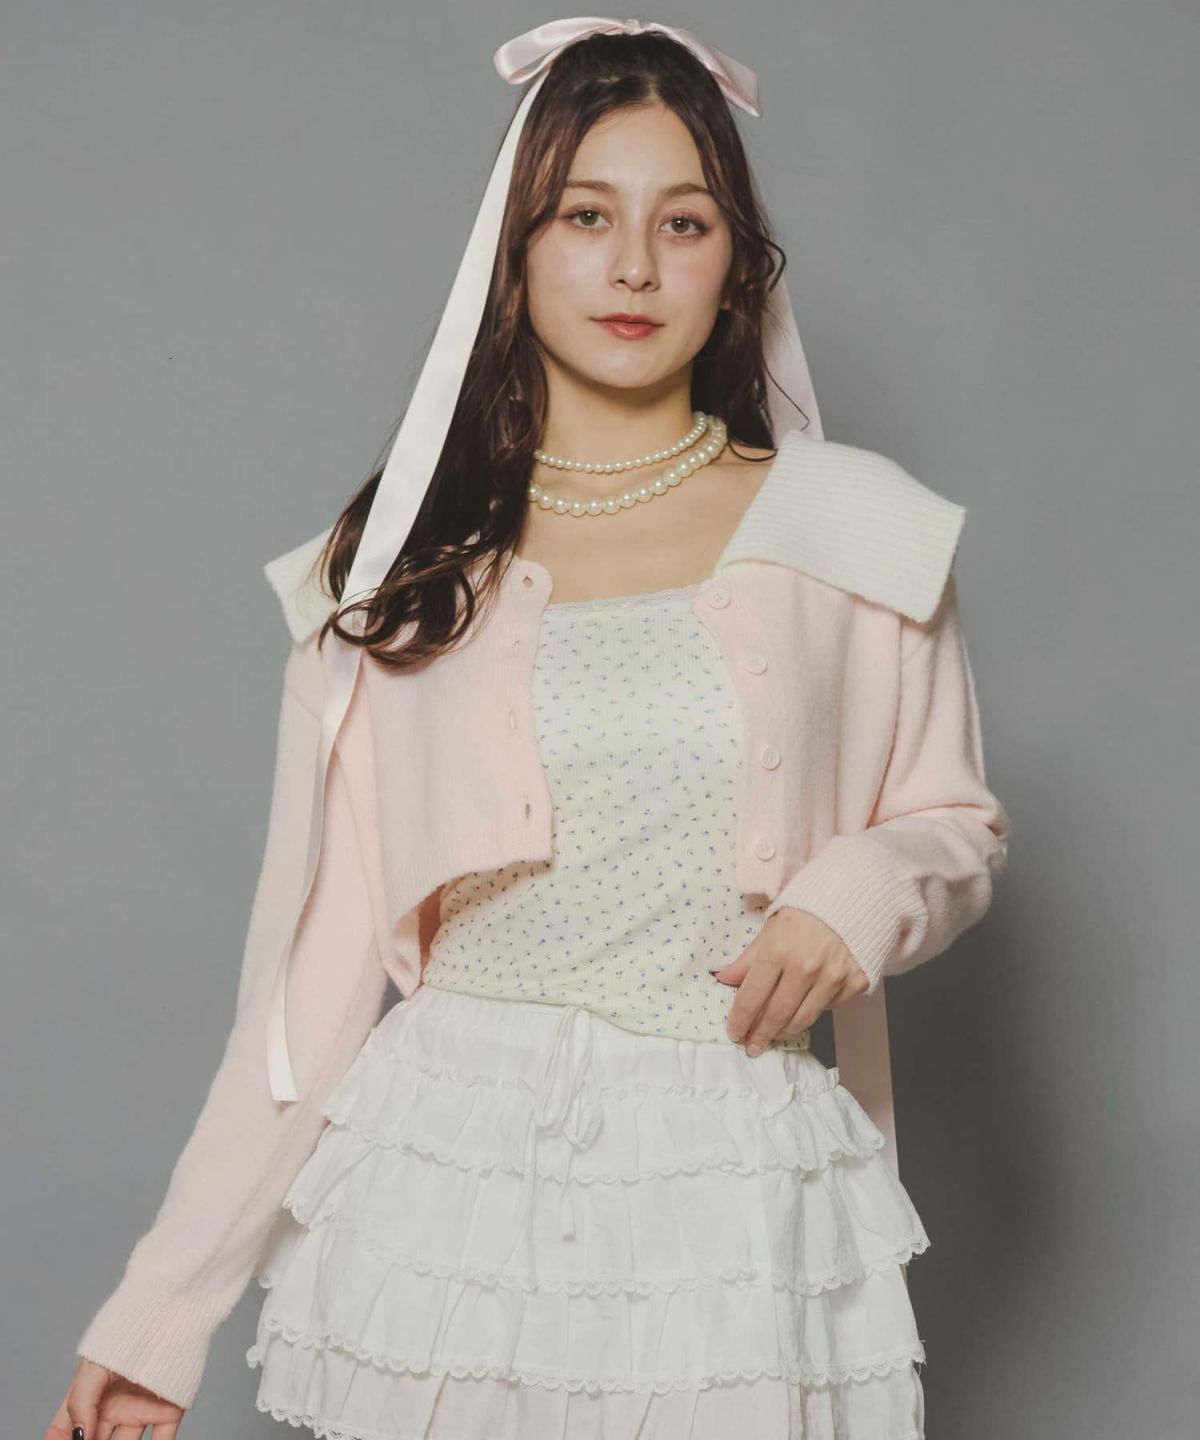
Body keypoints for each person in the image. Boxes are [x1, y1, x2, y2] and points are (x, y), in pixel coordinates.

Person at [50, 17, 1010, 1440]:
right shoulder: (394, 572)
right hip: (451, 1196)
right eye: (585, 216)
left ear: (738, 261)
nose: (635, 268)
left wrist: (860, 891)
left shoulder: (855, 528)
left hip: (730, 1193)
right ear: (514, 248)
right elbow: (305, 993)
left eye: (684, 222)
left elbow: (955, 823)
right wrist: (158, 1321)